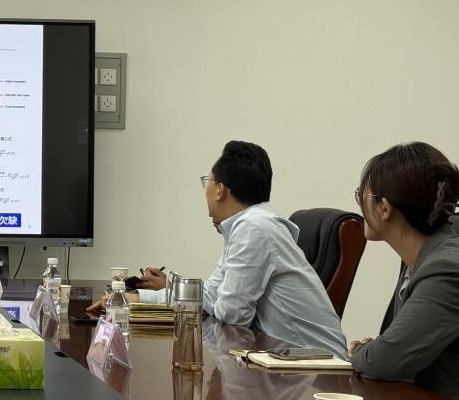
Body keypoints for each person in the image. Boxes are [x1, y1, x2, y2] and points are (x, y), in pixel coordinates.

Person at [90, 141, 347, 359]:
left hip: (318, 368)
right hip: (288, 359)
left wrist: (209, 301)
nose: (207, 189)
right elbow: (211, 296)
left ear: (220, 190)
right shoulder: (244, 226)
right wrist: (135, 299)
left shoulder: (254, 228)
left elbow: (232, 314)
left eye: (208, 182)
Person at [348, 142, 459, 399]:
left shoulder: (446, 268)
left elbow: (383, 362)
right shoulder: (419, 255)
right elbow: (394, 348)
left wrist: (364, 353)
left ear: (384, 208)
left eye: (361, 195)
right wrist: (378, 350)